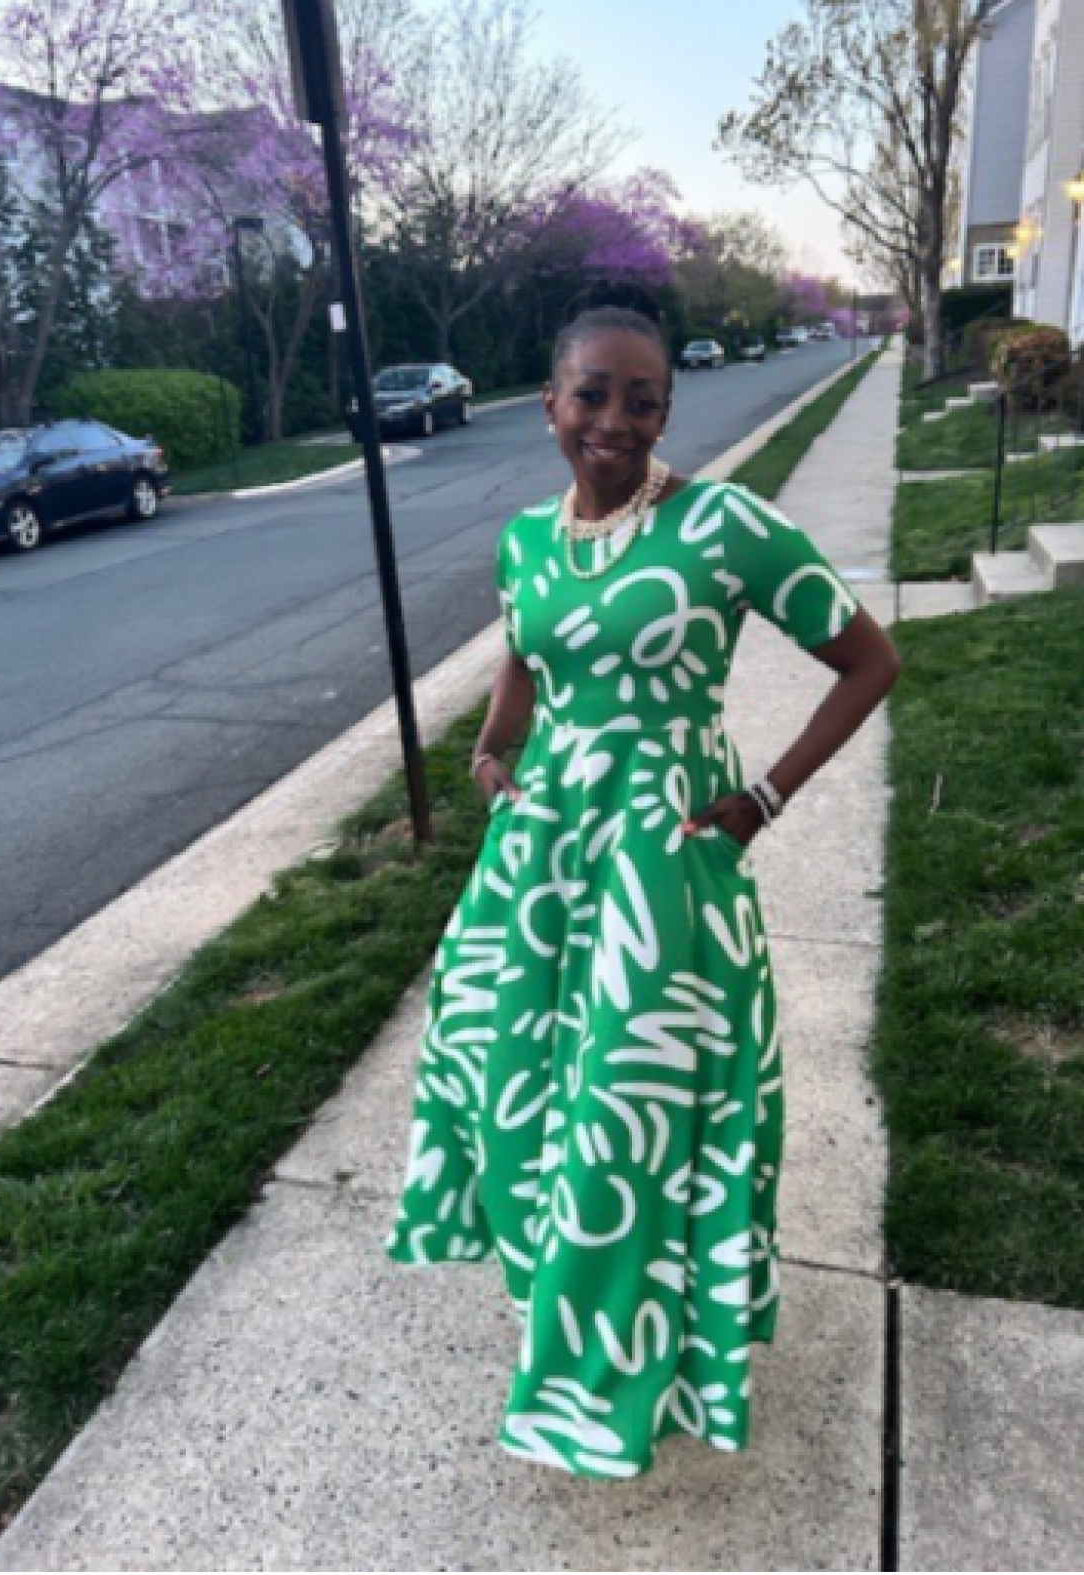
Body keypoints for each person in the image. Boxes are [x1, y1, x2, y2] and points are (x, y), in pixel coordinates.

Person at [385, 290, 901, 1480]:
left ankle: (620, 1370)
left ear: (666, 409)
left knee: (634, 1109)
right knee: (509, 1075)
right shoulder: (527, 539)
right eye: (594, 396)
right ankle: (560, 1304)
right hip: (543, 859)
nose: (618, 422)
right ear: (549, 404)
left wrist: (763, 797)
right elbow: (525, 657)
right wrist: (488, 753)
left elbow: (869, 660)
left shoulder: (723, 525)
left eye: (645, 400)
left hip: (662, 865)